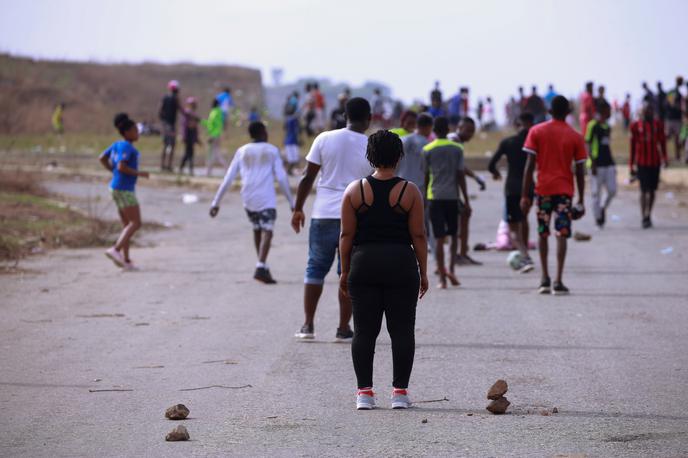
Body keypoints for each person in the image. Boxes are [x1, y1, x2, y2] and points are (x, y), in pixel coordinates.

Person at [339, 130, 429, 410]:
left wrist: (344, 271)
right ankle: (399, 393)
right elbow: (419, 236)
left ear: (370, 156)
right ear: (399, 156)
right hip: (401, 264)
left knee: (364, 331)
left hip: (363, 264)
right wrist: (424, 271)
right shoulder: (410, 191)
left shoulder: (355, 191)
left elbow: (346, 236)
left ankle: (364, 394)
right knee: (402, 331)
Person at [291, 97, 373, 341]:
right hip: (355, 216)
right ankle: (343, 328)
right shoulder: (370, 144)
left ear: (344, 116)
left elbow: (307, 177)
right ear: (368, 119)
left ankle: (308, 325)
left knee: (315, 267)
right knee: (347, 271)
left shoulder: (323, 138)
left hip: (322, 213)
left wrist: (297, 209)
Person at [210, 121, 295, 283]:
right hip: (266, 197)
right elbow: (282, 178)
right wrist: (292, 202)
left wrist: (216, 202)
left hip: (248, 197)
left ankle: (263, 267)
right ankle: (260, 265)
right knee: (268, 231)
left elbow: (228, 178)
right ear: (263, 132)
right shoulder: (272, 150)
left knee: (257, 229)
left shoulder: (242, 151)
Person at [521, 95, 587, 295]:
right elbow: (580, 170)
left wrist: (525, 195)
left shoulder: (537, 131)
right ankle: (558, 279)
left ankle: (544, 278)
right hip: (564, 192)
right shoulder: (575, 136)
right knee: (562, 234)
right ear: (568, 113)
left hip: (543, 191)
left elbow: (529, 166)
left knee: (542, 233)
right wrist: (581, 199)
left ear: (549, 111)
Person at [99, 113, 149, 270]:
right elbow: (121, 166)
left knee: (126, 224)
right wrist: (139, 173)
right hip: (124, 189)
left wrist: (112, 172)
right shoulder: (127, 147)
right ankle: (116, 249)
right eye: (134, 130)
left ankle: (126, 261)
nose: (137, 133)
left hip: (114, 187)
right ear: (127, 132)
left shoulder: (116, 144)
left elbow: (102, 158)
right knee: (136, 223)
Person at [488, 112, 536, 272]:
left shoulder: (508, 142)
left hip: (512, 188)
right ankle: (525, 252)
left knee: (514, 227)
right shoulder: (534, 144)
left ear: (517, 125)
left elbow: (491, 164)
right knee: (524, 219)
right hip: (528, 187)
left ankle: (525, 256)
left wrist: (495, 173)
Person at [423, 116, 467, 288]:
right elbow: (460, 175)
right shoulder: (457, 148)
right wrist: (466, 200)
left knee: (439, 238)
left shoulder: (427, 149)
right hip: (452, 197)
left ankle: (442, 278)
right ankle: (451, 270)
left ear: (434, 130)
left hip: (434, 197)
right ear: (448, 129)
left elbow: (426, 176)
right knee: (453, 236)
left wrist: (424, 199)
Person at [448, 117, 486, 265]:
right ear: (459, 127)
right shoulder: (454, 141)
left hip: (447, 188)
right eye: (468, 130)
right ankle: (459, 254)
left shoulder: (454, 140)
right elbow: (459, 171)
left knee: (461, 218)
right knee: (462, 216)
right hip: (449, 189)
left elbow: (461, 167)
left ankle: (460, 253)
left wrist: (476, 177)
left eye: (472, 131)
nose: (470, 134)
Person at [629, 102, 668, 228]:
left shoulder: (658, 125)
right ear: (641, 112)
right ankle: (643, 216)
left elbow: (662, 142)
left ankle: (648, 214)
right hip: (642, 163)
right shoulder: (635, 126)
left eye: (650, 110)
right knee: (643, 190)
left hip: (654, 162)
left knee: (652, 191)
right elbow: (632, 147)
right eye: (645, 111)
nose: (648, 113)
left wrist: (665, 158)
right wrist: (631, 165)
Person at [585, 103, 616, 228]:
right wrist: (592, 162)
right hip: (596, 164)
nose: (610, 113)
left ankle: (603, 208)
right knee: (595, 193)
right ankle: (598, 219)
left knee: (612, 191)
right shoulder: (592, 125)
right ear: (602, 111)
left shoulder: (607, 126)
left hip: (609, 163)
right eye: (608, 110)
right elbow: (587, 144)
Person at [398, 113, 433, 189]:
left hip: (400, 184)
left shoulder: (402, 140)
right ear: (428, 127)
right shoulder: (427, 145)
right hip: (417, 186)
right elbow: (427, 170)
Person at [159, 80, 181, 171]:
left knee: (165, 145)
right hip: (170, 126)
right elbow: (181, 110)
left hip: (165, 125)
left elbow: (160, 111)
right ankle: (168, 165)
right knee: (172, 145)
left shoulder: (165, 98)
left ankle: (163, 165)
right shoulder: (175, 99)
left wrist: (163, 122)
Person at [202, 100, 228, 177]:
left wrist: (211, 136)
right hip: (217, 135)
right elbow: (217, 125)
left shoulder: (214, 112)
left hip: (213, 136)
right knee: (215, 154)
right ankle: (210, 172)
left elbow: (211, 124)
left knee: (211, 154)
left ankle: (208, 172)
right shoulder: (220, 112)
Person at [179, 97, 201, 176]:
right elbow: (184, 126)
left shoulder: (194, 114)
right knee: (188, 153)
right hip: (188, 135)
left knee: (190, 153)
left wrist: (197, 138)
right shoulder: (187, 113)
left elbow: (195, 127)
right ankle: (187, 169)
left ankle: (186, 169)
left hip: (191, 136)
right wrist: (183, 136)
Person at [666, 76, 684, 161]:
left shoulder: (678, 93)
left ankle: (677, 156)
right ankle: (664, 155)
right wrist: (680, 108)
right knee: (667, 137)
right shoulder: (673, 91)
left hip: (676, 118)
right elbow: (670, 103)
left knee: (677, 138)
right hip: (672, 118)